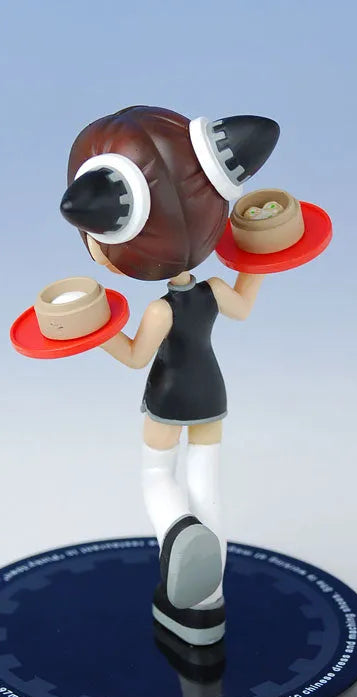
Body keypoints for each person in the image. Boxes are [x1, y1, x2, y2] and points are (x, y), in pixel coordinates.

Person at [60, 105, 279, 645]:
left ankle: (179, 531)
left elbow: (137, 358)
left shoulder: (160, 311)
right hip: (212, 392)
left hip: (168, 397)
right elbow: (245, 305)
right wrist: (260, 254)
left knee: (159, 476)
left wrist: (94, 331)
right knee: (207, 484)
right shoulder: (214, 292)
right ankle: (209, 600)